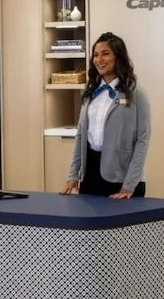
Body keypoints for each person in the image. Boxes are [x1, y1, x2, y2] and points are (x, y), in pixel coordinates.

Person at [61, 32, 151, 199]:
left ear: (118, 57)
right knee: (90, 225)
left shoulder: (136, 94)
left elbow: (143, 140)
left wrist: (129, 185)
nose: (99, 59)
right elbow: (81, 136)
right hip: (90, 175)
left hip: (122, 177)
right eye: (95, 55)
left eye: (105, 54)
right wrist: (73, 175)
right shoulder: (89, 93)